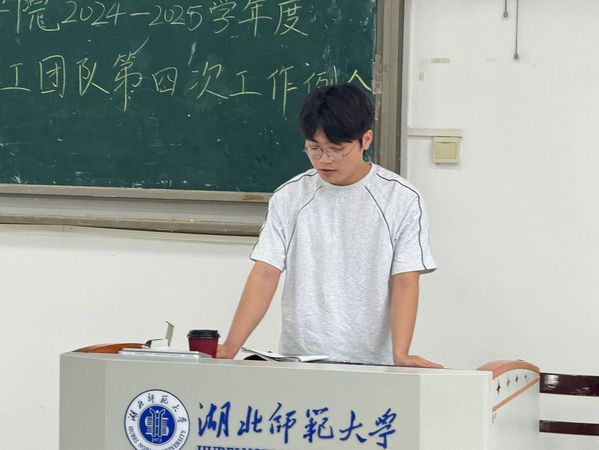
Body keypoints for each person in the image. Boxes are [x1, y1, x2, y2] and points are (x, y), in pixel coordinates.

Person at [217, 83, 442, 368]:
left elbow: (405, 281)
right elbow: (265, 273)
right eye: (314, 148)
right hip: (300, 359)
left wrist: (401, 355)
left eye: (337, 149)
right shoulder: (290, 196)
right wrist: (231, 346)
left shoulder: (401, 198)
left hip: (372, 362)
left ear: (366, 140)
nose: (325, 160)